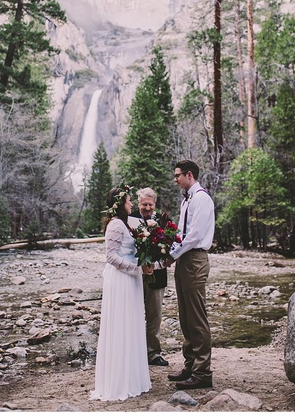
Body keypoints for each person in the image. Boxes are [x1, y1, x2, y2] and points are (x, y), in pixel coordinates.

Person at [91, 186, 154, 401]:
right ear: (120, 204)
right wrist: (136, 269)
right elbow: (111, 257)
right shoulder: (116, 224)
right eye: (128, 201)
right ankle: (119, 381)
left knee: (132, 326)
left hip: (131, 280)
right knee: (121, 326)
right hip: (121, 281)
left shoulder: (126, 224)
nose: (131, 204)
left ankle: (132, 377)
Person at [166, 160, 216, 390]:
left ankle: (202, 373)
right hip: (184, 258)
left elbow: (194, 235)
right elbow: (181, 232)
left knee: (196, 317)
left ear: (189, 175)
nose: (175, 179)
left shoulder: (202, 199)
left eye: (177, 175)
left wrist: (172, 255)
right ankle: (190, 366)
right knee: (185, 315)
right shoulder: (187, 199)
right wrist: (168, 250)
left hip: (194, 259)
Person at [130, 187, 170, 367]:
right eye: (144, 204)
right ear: (138, 204)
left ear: (155, 204)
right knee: (134, 314)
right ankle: (135, 352)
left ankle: (153, 354)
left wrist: (158, 264)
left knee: (154, 315)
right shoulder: (129, 221)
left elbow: (169, 249)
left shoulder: (162, 222)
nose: (147, 208)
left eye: (150, 204)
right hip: (134, 275)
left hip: (157, 274)